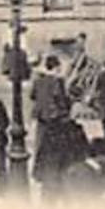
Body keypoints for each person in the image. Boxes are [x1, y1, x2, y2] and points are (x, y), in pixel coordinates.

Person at [31, 54, 71, 200]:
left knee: (40, 144)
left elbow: (33, 96)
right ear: (56, 66)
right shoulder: (57, 81)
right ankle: (56, 172)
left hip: (41, 116)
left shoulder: (38, 80)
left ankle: (38, 172)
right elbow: (60, 98)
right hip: (54, 118)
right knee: (55, 146)